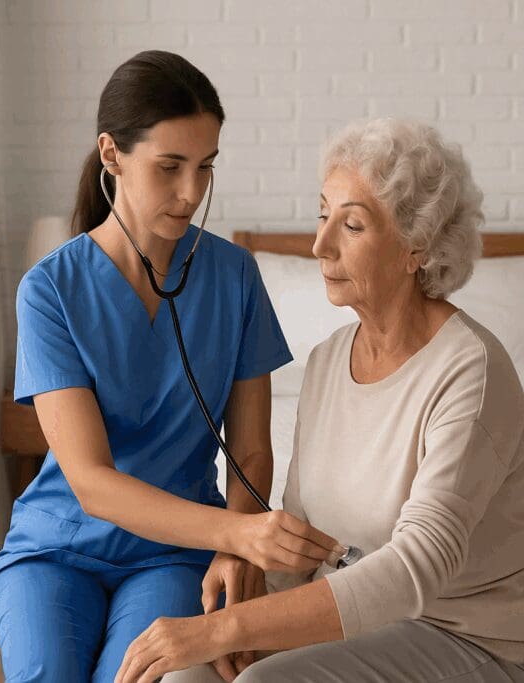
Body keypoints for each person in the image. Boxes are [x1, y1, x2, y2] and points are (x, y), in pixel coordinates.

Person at [116, 119, 524, 683]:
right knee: (187, 677)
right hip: (354, 621)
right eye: (323, 214)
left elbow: (416, 570)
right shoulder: (329, 359)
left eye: (351, 225)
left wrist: (229, 631)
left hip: (463, 634)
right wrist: (245, 609)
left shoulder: (470, 371)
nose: (320, 245)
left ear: (417, 248)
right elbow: (304, 534)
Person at [0, 50, 344, 682]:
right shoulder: (49, 290)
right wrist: (239, 534)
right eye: (170, 167)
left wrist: (237, 544)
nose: (190, 192)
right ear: (111, 155)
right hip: (55, 548)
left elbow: (252, 450)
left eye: (205, 167)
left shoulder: (234, 276)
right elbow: (90, 482)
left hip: (172, 556)